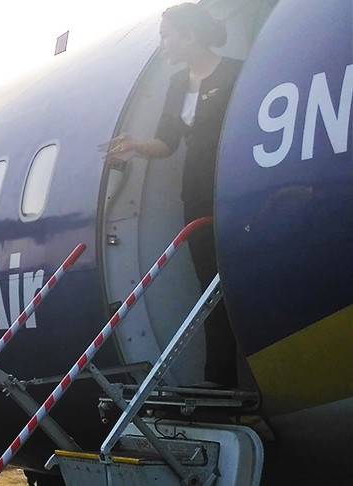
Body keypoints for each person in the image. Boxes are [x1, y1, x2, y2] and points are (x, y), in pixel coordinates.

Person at [105, 3, 241, 389]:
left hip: (230, 190)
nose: (163, 45)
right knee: (209, 286)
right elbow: (167, 142)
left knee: (233, 283)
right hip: (196, 194)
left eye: (167, 36)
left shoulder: (235, 74)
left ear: (189, 36)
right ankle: (220, 377)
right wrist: (134, 146)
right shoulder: (178, 83)